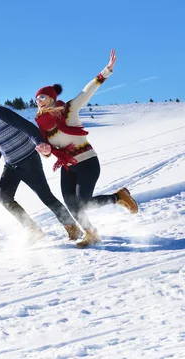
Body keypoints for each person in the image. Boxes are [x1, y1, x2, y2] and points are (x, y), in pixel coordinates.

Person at [33, 49, 138, 248]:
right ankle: (91, 234)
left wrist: (106, 71)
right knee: (71, 203)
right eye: (36, 99)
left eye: (42, 97)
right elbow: (49, 148)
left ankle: (119, 197)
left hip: (87, 162)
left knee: (84, 202)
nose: (38, 102)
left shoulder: (69, 110)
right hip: (67, 166)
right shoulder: (41, 124)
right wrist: (46, 152)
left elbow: (87, 90)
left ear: (52, 98)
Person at [0, 93, 80, 241]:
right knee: (4, 198)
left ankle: (72, 227)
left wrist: (39, 142)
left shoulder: (1, 112)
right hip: (11, 165)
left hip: (29, 160)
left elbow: (28, 127)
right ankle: (33, 230)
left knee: (46, 197)